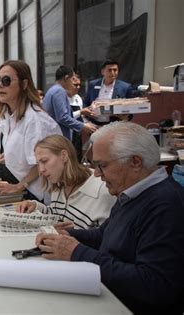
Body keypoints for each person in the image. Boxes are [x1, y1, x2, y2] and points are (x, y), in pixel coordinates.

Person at [35, 122, 184, 314]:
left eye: (102, 165)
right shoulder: (131, 193)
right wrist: (66, 235)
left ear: (135, 162)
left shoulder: (166, 205)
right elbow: (104, 235)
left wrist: (76, 252)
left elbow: (153, 284)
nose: (96, 174)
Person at [0, 60, 62, 201]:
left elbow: (41, 163)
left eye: (6, 80)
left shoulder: (35, 120)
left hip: (39, 196)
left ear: (24, 84)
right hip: (25, 190)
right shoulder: (9, 116)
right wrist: (10, 156)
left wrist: (19, 186)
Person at [16, 135, 115, 229]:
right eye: (38, 164)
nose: (41, 170)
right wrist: (36, 207)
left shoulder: (103, 190)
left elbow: (106, 239)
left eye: (45, 161)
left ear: (64, 156)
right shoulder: (58, 183)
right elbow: (57, 214)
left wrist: (74, 234)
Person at [42, 65, 96, 141]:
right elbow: (63, 117)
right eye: (72, 78)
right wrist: (83, 126)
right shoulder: (59, 91)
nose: (73, 82)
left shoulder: (52, 90)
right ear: (66, 78)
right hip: (58, 137)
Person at [83, 59, 134, 125]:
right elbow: (86, 102)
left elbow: (132, 108)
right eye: (110, 70)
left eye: (115, 70)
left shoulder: (125, 87)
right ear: (102, 72)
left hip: (114, 125)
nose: (113, 72)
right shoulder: (93, 84)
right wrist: (88, 115)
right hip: (94, 125)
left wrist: (124, 117)